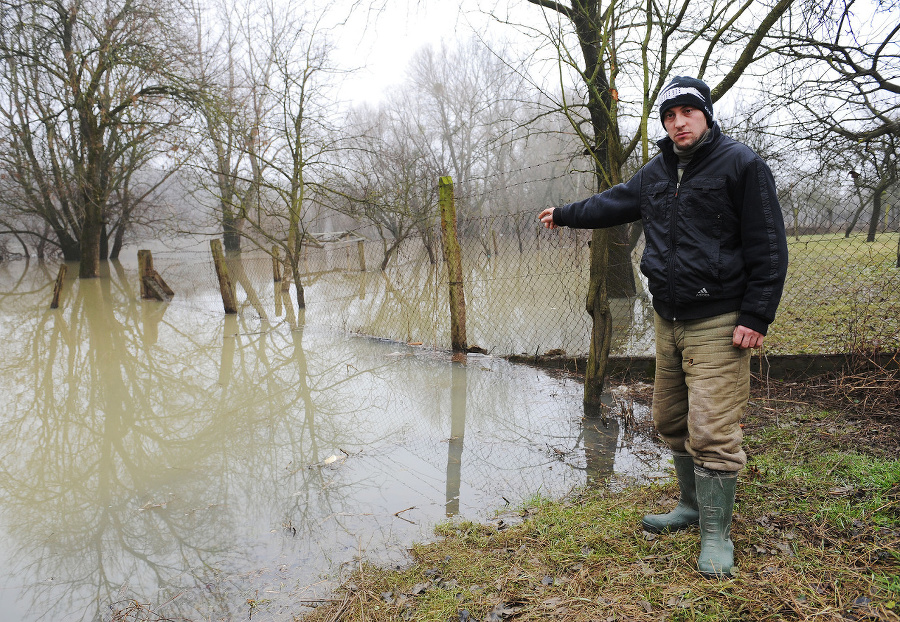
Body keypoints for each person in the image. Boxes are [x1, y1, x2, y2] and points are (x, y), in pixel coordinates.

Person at [538, 76, 788, 578]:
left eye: (687, 112)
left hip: (719, 319)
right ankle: (692, 508)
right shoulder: (657, 171)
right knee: (671, 418)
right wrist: (565, 214)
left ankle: (716, 534)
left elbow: (769, 244)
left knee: (713, 430)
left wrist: (756, 314)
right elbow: (612, 202)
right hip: (667, 316)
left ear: (706, 114)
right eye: (669, 115)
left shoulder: (742, 165)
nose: (678, 122)